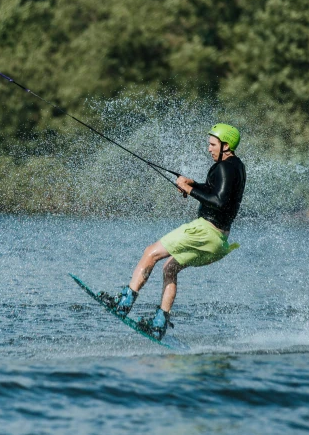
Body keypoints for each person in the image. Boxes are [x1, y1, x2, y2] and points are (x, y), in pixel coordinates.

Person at [99, 123, 247, 340]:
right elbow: (217, 192)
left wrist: (189, 189)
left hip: (205, 231)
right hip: (219, 241)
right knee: (170, 269)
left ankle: (123, 304)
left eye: (213, 144)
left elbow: (219, 201)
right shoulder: (237, 166)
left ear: (226, 145)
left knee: (151, 253)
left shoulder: (224, 167)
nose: (209, 148)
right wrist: (193, 183)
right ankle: (160, 323)